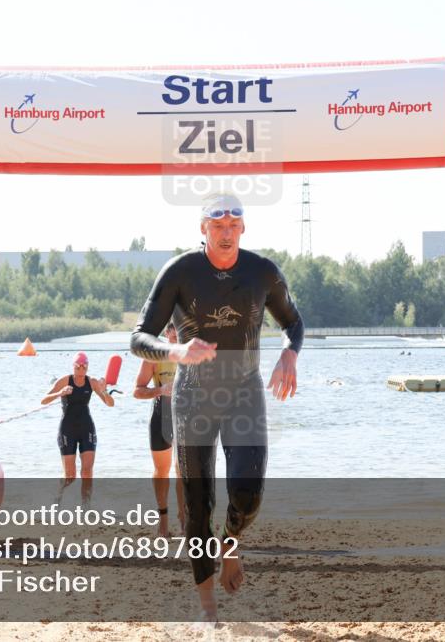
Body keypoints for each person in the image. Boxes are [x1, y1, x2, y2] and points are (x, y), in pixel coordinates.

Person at [130, 193, 304, 622]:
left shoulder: (262, 272)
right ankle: (208, 608)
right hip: (193, 397)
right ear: (202, 229)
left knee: (248, 496)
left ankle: (230, 541)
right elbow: (138, 339)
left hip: (244, 392)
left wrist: (289, 354)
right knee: (197, 502)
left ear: (243, 229)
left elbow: (293, 322)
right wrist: (174, 352)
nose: (225, 234)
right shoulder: (180, 272)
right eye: (217, 226)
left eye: (233, 226)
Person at [133, 322, 185, 537]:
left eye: (181, 327)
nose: (178, 332)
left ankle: (184, 520)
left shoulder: (192, 355)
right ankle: (163, 521)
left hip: (186, 416)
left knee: (183, 471)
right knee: (162, 470)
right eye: (174, 328)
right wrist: (161, 389)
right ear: (167, 332)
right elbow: (137, 391)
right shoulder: (153, 357)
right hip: (161, 415)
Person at [41, 352, 114, 503]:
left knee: (87, 472)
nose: (81, 369)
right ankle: (58, 496)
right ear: (73, 367)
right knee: (70, 475)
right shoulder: (64, 380)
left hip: (86, 428)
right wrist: (60, 393)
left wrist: (104, 390)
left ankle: (85, 506)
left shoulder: (92, 382)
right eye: (78, 366)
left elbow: (110, 403)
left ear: (87, 367)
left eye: (84, 366)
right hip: (67, 429)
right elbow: (43, 400)